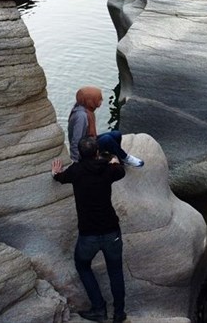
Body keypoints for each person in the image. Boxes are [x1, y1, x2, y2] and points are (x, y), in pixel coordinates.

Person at [52, 137, 129, 323]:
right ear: (97, 152)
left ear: (79, 153)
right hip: (111, 231)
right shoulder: (107, 169)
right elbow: (121, 171)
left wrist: (55, 173)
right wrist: (114, 161)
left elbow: (61, 177)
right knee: (115, 271)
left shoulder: (76, 171)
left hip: (88, 235)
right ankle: (119, 313)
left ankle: (99, 308)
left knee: (82, 265)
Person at [69, 86, 143, 167]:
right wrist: (77, 162)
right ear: (90, 101)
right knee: (107, 139)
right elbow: (75, 141)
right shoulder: (81, 116)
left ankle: (119, 158)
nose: (101, 101)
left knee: (116, 134)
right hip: (85, 149)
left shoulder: (87, 109)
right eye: (98, 99)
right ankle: (126, 158)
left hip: (90, 140)